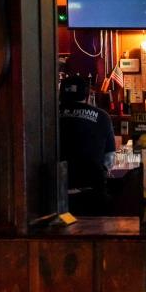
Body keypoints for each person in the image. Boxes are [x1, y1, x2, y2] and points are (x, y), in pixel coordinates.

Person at [59, 75, 115, 213]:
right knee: (93, 230)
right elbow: (109, 159)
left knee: (58, 231)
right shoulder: (102, 116)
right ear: (88, 96)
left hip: (55, 195)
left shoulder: (47, 113)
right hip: (92, 193)